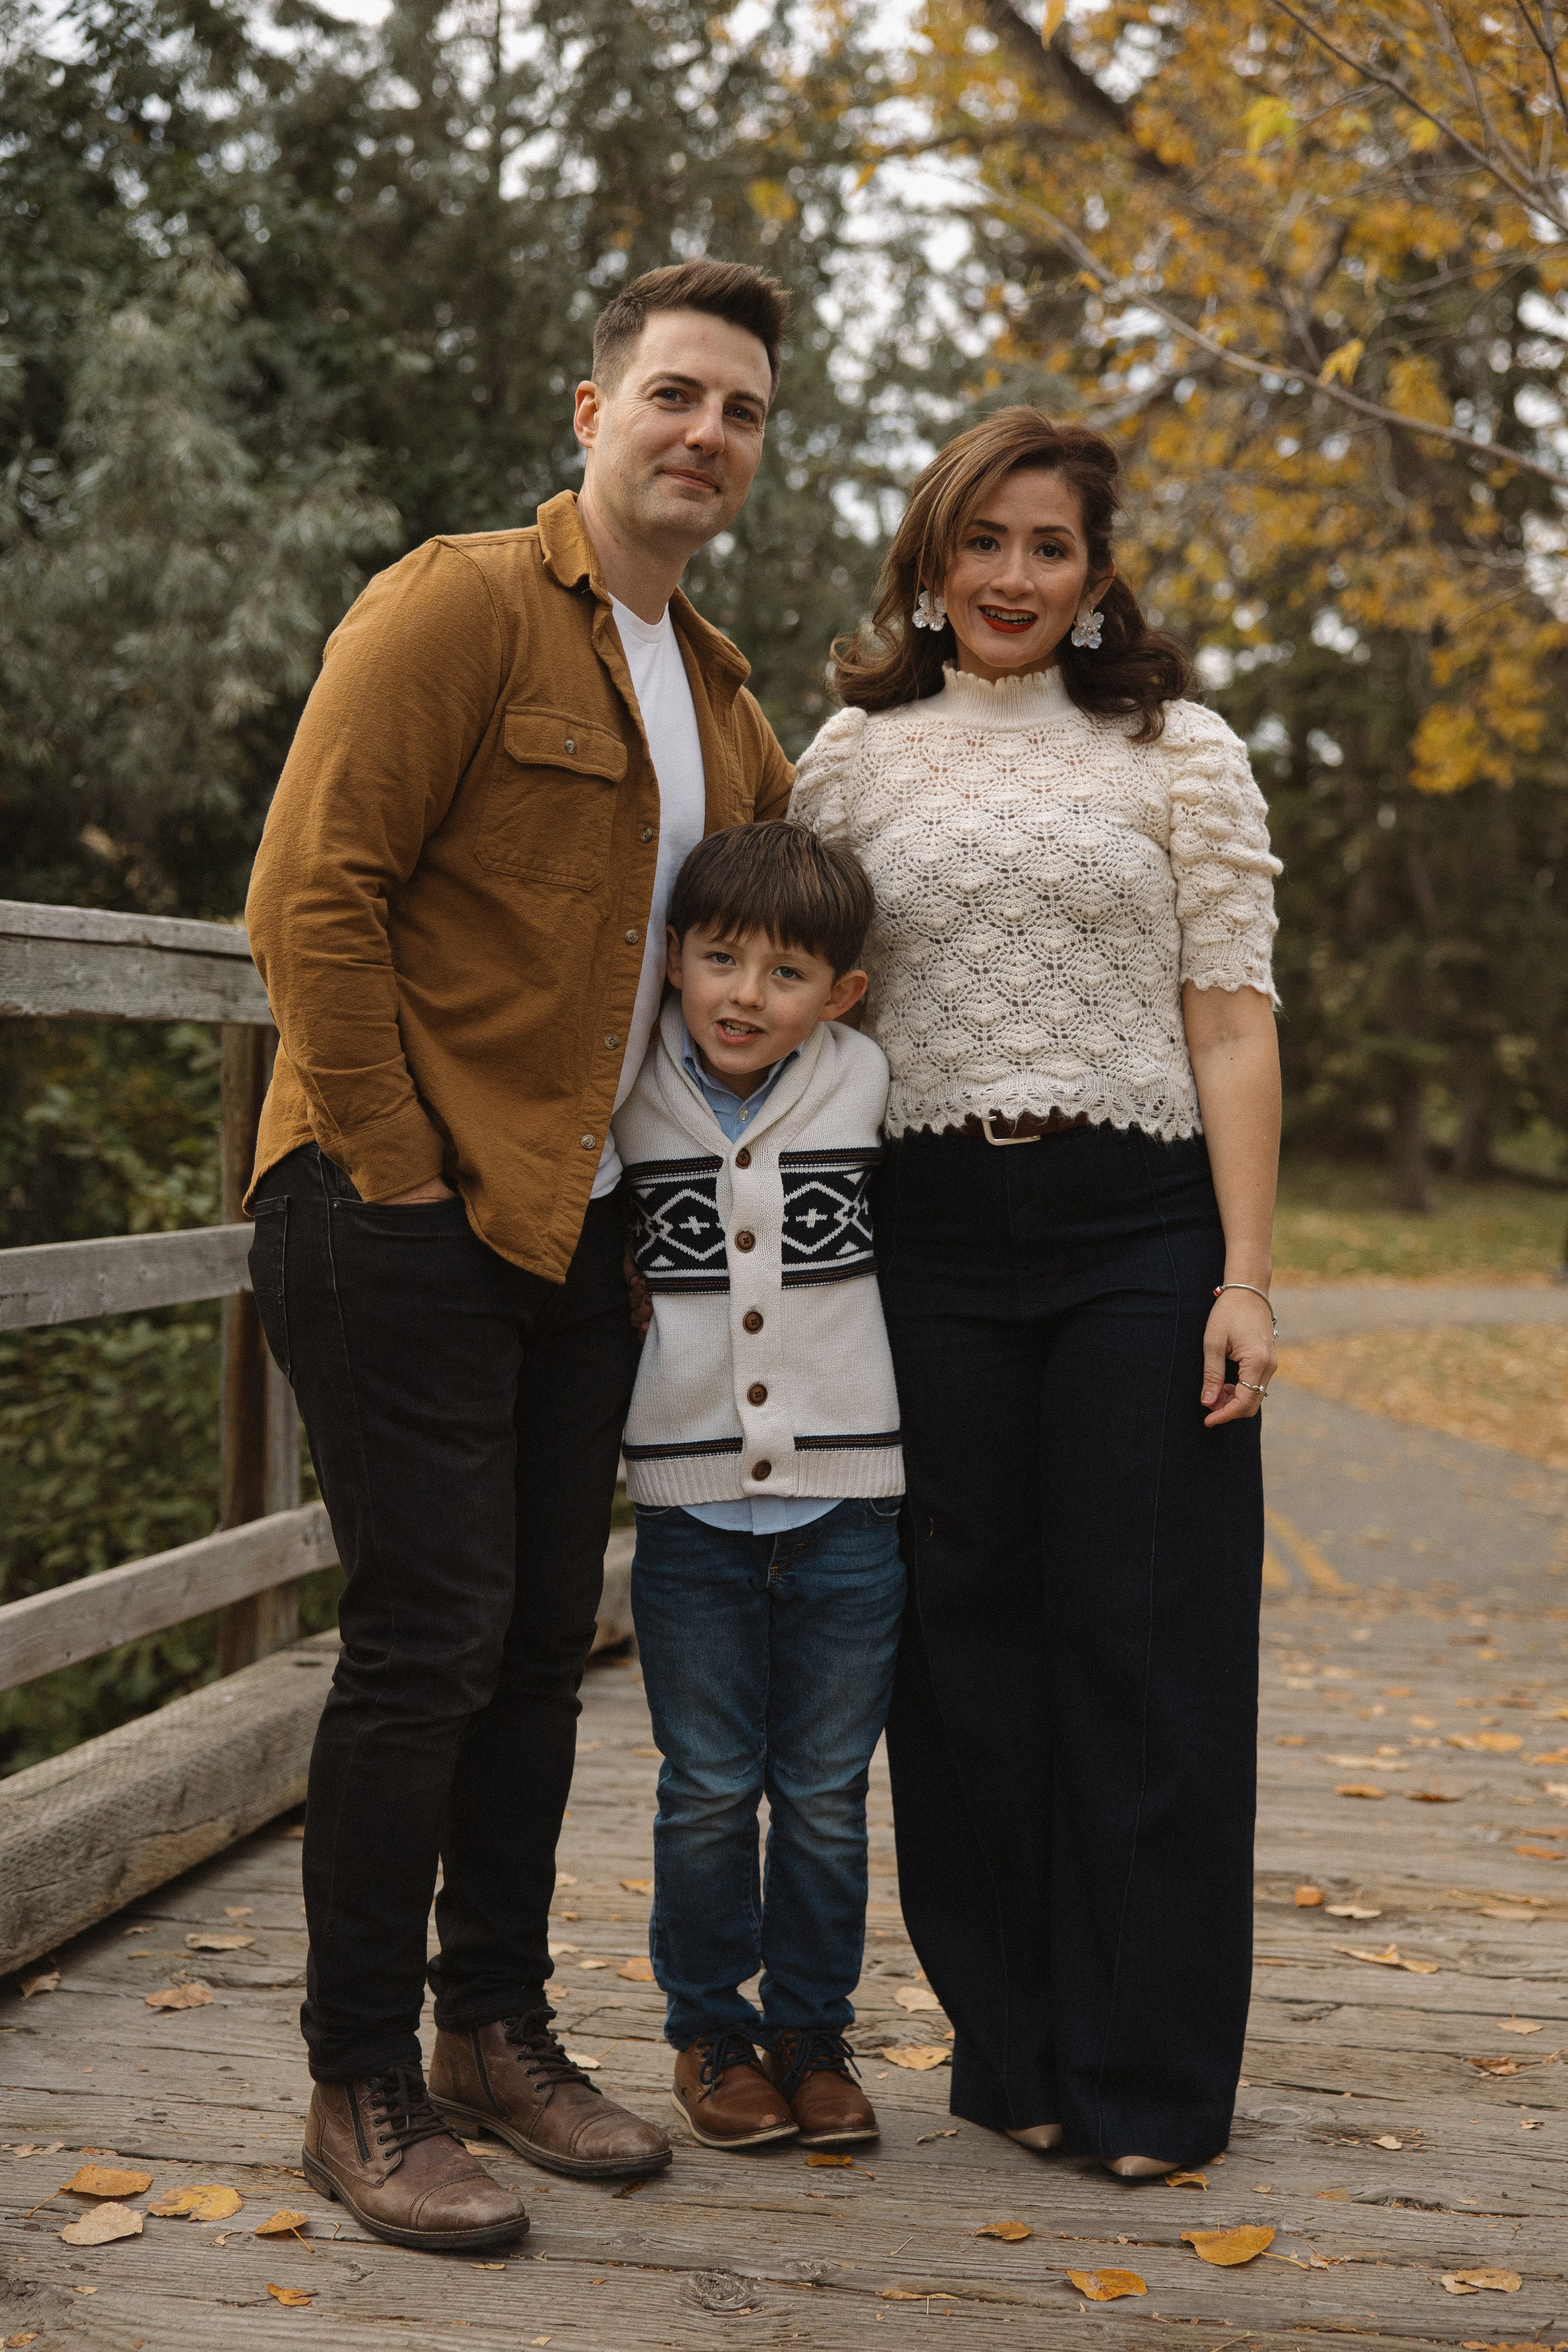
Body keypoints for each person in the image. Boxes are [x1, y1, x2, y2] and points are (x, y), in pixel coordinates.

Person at [243, 260, 796, 2254]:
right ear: (594, 411)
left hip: (582, 1237)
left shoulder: (727, 704)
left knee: (543, 1645)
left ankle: (489, 2031)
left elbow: (756, 979)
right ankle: (357, 2082)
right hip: (391, 1203)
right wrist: (397, 1172)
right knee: (429, 1638)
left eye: (741, 411)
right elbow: (312, 891)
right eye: (674, 394)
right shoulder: (459, 606)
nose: (704, 434)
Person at [789, 406, 1282, 2178]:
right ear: (931, 561)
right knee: (962, 1646)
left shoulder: (1177, 750)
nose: (1011, 575)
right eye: (981, 540)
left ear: (1093, 577)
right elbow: (785, 1000)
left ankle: (1149, 2080)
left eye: (1048, 547)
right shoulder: (848, 759)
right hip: (920, 1234)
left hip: (1136, 1230)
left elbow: (1229, 1021)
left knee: (1145, 1643)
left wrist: (1244, 1276)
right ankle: (1016, 2056)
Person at [612, 822, 905, 2153]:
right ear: (673, 956)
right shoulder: (629, 1091)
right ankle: (709, 2033)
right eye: (720, 959)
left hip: (849, 1508)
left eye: (786, 974)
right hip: (690, 1514)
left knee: (828, 1792)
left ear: (841, 994)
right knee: (709, 1786)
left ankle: (811, 2030)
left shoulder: (868, 1083)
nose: (745, 996)